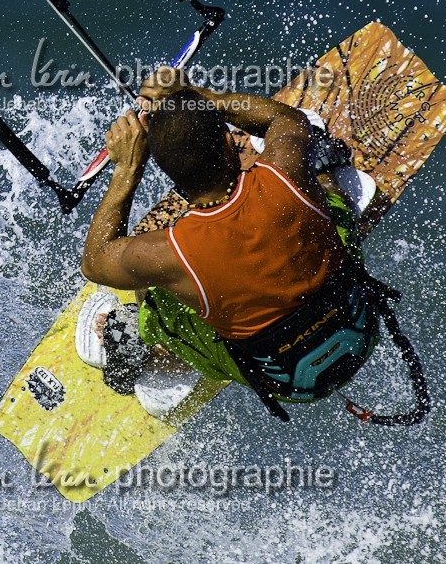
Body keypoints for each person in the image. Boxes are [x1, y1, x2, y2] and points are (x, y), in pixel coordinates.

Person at [75, 66, 382, 420]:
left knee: (156, 298)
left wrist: (127, 168)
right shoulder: (284, 176)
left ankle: (163, 354)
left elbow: (95, 260)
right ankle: (331, 178)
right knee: (319, 183)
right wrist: (197, 96)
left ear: (161, 166)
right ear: (228, 143)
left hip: (291, 382)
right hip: (361, 330)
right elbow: (286, 119)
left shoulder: (169, 255)